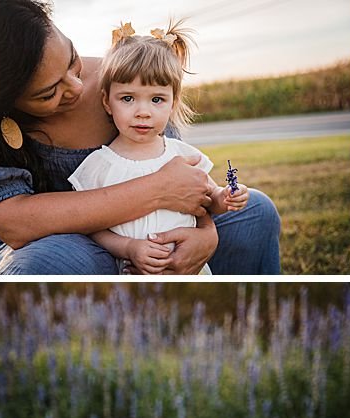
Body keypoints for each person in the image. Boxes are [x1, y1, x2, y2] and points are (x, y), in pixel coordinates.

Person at [0, 0, 279, 275]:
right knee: (44, 265)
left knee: (256, 212)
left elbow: (182, 179)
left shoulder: (123, 81)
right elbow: (14, 223)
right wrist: (157, 191)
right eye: (48, 93)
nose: (76, 87)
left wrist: (207, 233)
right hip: (55, 245)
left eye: (72, 61)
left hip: (153, 230)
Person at [67, 21, 249, 275]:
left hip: (189, 271)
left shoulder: (182, 156)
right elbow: (91, 227)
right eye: (128, 98)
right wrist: (129, 247)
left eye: (157, 100)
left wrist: (225, 196)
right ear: (107, 102)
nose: (143, 112)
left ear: (173, 103)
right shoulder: (100, 165)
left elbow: (209, 199)